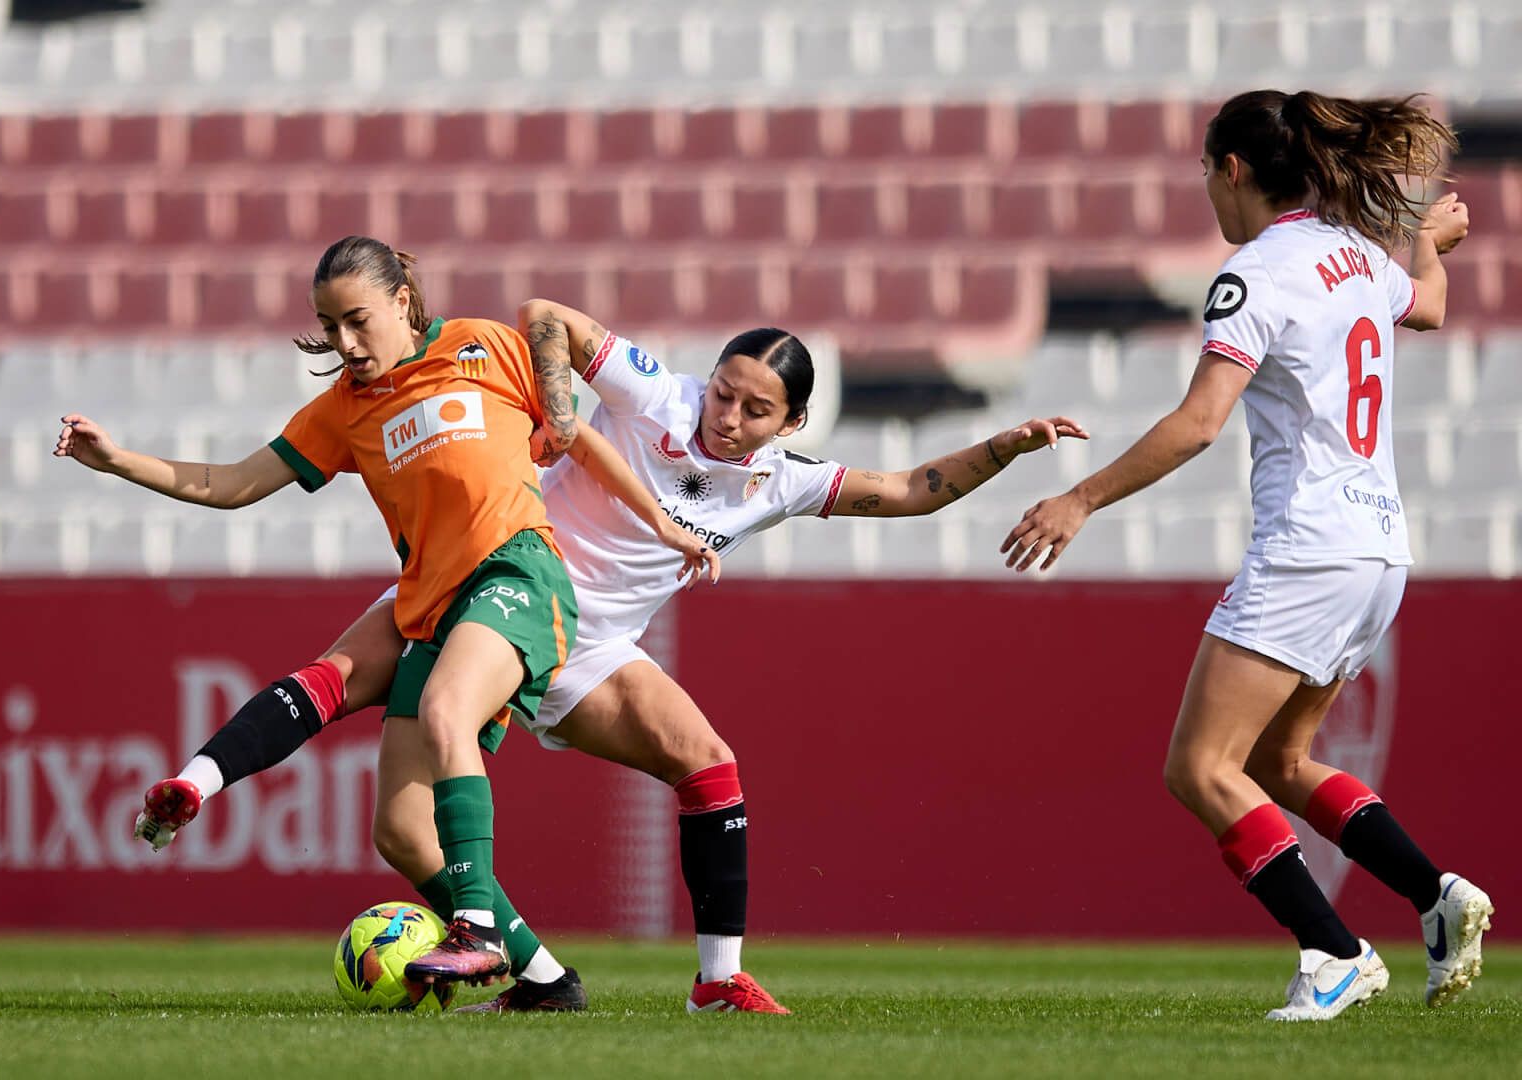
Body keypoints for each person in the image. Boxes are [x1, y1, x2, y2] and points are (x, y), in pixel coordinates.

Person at [127, 297, 1085, 1013]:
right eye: (724, 392)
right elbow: (547, 317)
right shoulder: (653, 389)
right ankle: (540, 976)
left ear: (790, 427)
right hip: (485, 576)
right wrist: (559, 404)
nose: (726, 418)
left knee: (708, 765)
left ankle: (718, 983)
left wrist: (1008, 445)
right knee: (401, 829)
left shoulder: (780, 484)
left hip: (584, 648)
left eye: (755, 411)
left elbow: (913, 488)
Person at [56, 235, 713, 991]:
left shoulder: (484, 346)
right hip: (430, 602)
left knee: (446, 710)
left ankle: (478, 932)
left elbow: (583, 443)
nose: (344, 342)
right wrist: (118, 461)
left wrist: (663, 525)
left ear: (403, 300)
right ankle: (544, 981)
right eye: (329, 326)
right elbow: (230, 484)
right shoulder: (344, 408)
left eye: (357, 320)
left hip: (519, 572)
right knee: (400, 831)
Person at [999, 90, 1491, 1021]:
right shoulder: (1355, 258)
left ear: (1232, 171)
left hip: (1308, 547)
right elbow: (1423, 305)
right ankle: (1438, 898)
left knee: (1199, 767)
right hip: (1380, 548)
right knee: (1281, 760)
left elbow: (1198, 423)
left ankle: (1334, 950)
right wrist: (1425, 239)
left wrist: (1080, 497)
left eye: (1205, 173)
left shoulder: (1255, 271)